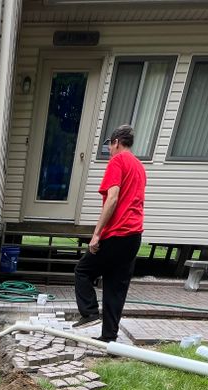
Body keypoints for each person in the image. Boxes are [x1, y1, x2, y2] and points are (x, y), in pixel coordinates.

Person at [73, 123, 147, 342]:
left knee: (83, 271)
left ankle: (89, 312)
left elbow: (112, 198)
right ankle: (108, 338)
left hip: (118, 233)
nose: (109, 151)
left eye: (109, 146)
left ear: (116, 142)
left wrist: (97, 233)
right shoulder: (139, 166)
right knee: (116, 287)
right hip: (134, 236)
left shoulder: (118, 161)